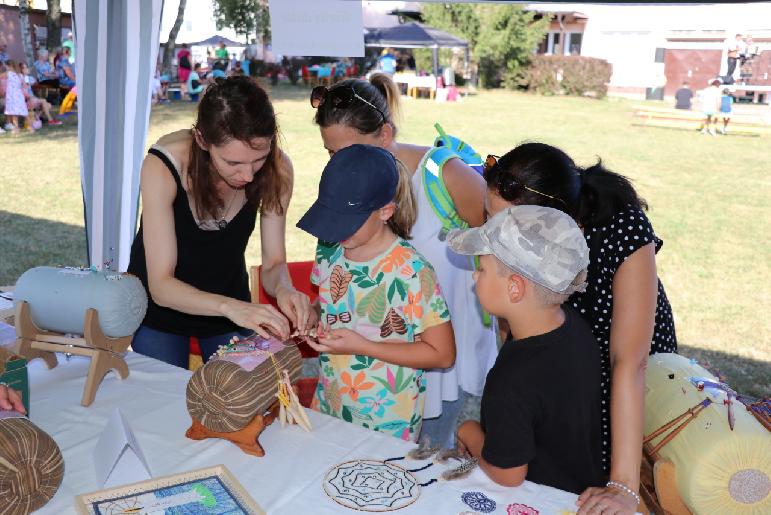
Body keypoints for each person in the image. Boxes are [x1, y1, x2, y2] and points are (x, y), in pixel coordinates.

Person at [484, 144, 677, 514]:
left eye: (502, 224)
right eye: (489, 216)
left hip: (623, 369)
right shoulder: (512, 217)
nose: (493, 232)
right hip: (567, 358)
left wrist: (623, 485)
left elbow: (629, 363)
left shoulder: (621, 227)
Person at [310, 76, 497, 448]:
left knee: (421, 461)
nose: (340, 164)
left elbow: (503, 244)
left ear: (384, 134)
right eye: (332, 154)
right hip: (364, 378)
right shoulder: (349, 197)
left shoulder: (443, 175)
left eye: (349, 151)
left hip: (440, 355)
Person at [127, 76, 316, 368]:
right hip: (161, 309)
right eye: (233, 163)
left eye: (259, 159)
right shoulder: (164, 166)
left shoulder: (279, 168)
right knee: (161, 402)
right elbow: (162, 286)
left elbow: (274, 264)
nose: (249, 176)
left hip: (230, 301)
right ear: (202, 140)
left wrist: (284, 289)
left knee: (241, 399)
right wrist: (231, 308)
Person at [298, 144, 455, 442]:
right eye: (331, 217)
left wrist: (362, 346)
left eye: (347, 220)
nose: (336, 229)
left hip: (388, 422)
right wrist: (312, 314)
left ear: (385, 211)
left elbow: (443, 354)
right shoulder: (330, 247)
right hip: (331, 403)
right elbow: (329, 300)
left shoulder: (412, 272)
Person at [451, 205, 604, 495]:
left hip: (540, 499)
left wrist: (468, 431)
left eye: (481, 269)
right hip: (579, 488)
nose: (475, 277)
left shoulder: (512, 380)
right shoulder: (575, 328)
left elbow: (508, 475)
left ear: (515, 289)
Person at [20, 62, 61, 126]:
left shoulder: (28, 78)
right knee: (43, 101)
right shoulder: (20, 78)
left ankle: (37, 116)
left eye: (27, 67)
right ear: (21, 70)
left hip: (32, 98)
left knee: (49, 105)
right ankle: (50, 120)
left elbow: (34, 82)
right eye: (24, 68)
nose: (27, 69)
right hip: (26, 100)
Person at [4, 60, 30, 134]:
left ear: (8, 66)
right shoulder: (20, 75)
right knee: (24, 111)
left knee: (14, 113)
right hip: (19, 95)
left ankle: (16, 128)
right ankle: (31, 128)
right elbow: (25, 86)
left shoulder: (8, 73)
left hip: (11, 95)